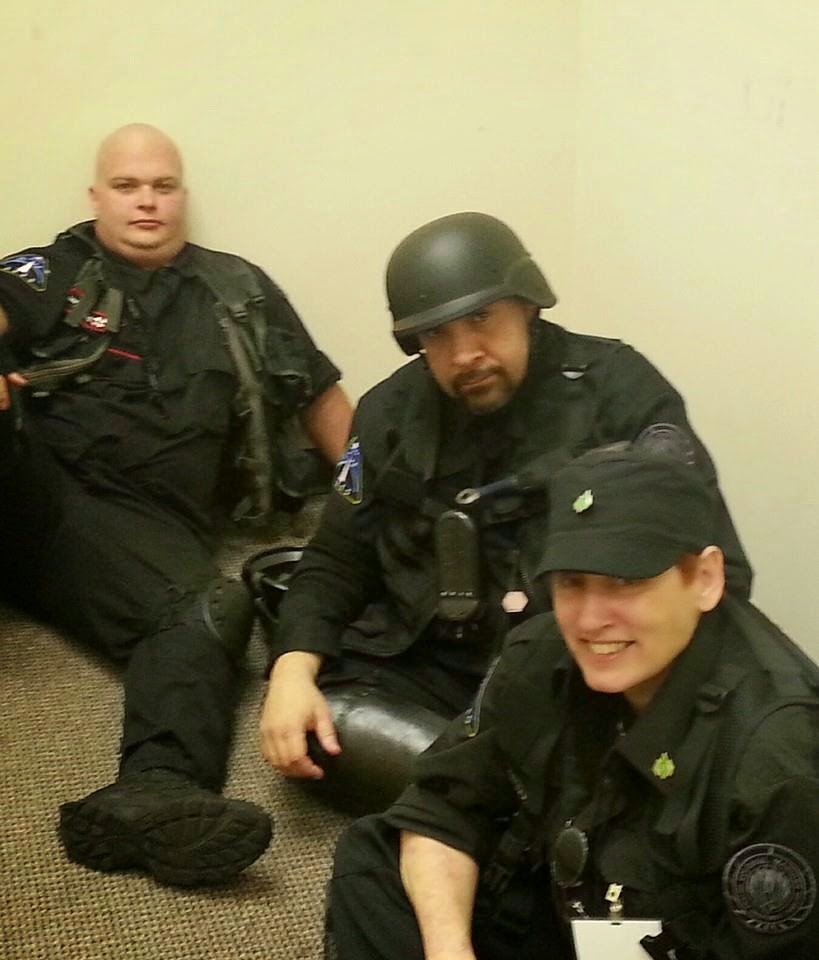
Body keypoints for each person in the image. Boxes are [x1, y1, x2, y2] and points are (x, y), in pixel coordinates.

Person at [258, 211, 752, 813]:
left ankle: (474, 801)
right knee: (320, 727)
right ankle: (510, 801)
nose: (465, 353)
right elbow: (337, 556)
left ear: (527, 306)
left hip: (576, 666)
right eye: (437, 335)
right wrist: (290, 669)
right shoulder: (388, 413)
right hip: (433, 661)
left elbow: (716, 570)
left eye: (482, 319)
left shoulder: (619, 391)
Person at [0, 123, 352, 887]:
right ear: (96, 197)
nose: (146, 202)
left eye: (162, 186)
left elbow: (320, 395)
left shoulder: (238, 289)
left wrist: (370, 496)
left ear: (182, 196)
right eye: (127, 187)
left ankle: (156, 793)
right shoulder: (53, 270)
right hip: (34, 488)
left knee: (209, 610)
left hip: (146, 530)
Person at [327, 442, 819, 960]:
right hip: (568, 908)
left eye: (624, 581)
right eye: (571, 582)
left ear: (704, 579)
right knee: (375, 856)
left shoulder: (778, 763)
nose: (588, 620)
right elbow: (441, 807)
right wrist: (449, 951)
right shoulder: (542, 653)